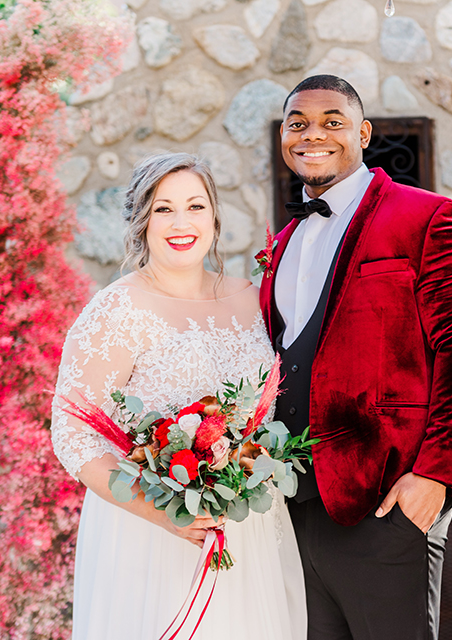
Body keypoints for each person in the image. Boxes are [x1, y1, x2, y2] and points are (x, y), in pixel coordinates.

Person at [258, 74, 452, 640]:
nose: (313, 134)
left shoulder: (428, 217)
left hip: (389, 499)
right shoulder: (284, 242)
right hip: (294, 503)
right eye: (299, 124)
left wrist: (436, 474)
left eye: (332, 122)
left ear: (363, 133)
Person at [50, 153, 306, 640]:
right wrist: (164, 512)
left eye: (195, 206)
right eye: (164, 209)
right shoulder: (116, 310)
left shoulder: (255, 297)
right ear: (141, 220)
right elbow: (73, 433)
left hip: (250, 527)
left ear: (214, 216)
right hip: (153, 534)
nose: (182, 222)